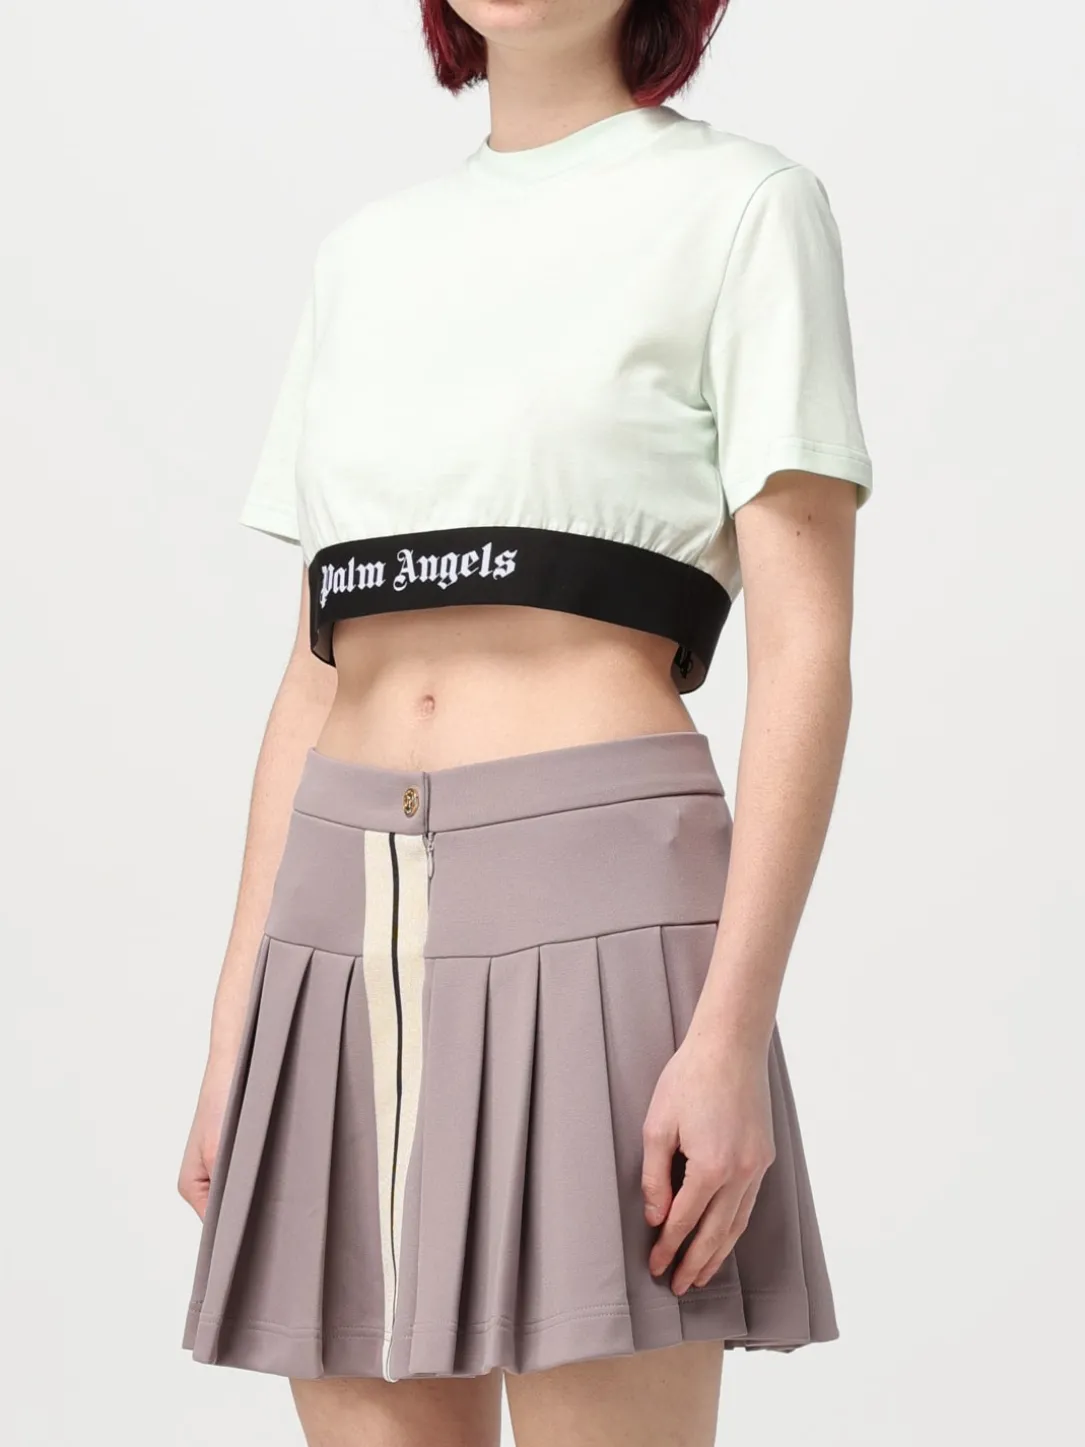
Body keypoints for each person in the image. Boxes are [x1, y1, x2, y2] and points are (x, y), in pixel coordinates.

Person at [177, 2, 874, 1444]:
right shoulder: (364, 256)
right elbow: (314, 669)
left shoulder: (743, 208)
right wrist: (237, 1027)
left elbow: (806, 646)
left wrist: (731, 1034)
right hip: (339, 922)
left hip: (602, 907)